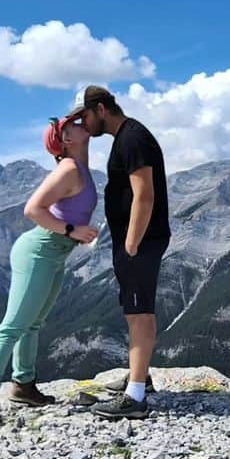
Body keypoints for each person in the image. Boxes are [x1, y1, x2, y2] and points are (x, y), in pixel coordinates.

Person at [0, 116, 98, 425]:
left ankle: (23, 386)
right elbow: (33, 209)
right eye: (74, 125)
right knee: (14, 324)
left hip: (52, 255)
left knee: (34, 323)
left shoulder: (79, 168)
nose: (82, 124)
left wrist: (71, 234)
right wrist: (71, 230)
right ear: (67, 140)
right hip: (38, 252)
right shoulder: (68, 169)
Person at [66, 85, 169, 420]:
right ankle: (139, 375)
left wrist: (132, 241)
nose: (83, 124)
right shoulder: (126, 136)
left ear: (100, 109)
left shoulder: (133, 138)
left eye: (84, 116)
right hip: (136, 239)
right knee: (134, 309)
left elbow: (145, 195)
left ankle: (135, 397)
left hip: (140, 239)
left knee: (139, 313)